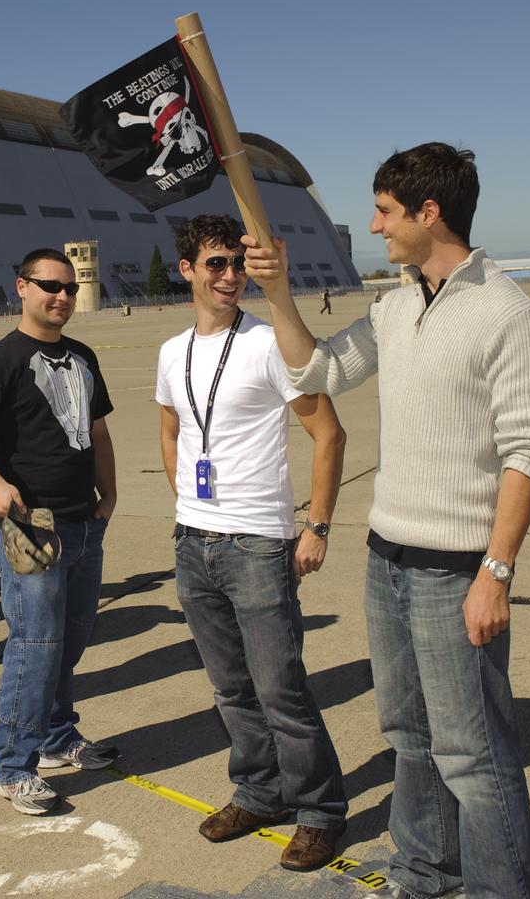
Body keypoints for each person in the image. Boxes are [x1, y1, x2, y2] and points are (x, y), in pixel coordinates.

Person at [246, 142, 530, 899]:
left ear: (430, 212)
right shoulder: (395, 304)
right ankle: (425, 871)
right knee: (408, 739)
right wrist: (279, 293)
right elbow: (317, 371)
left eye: (386, 210)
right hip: (386, 556)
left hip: (456, 569)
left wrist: (497, 571)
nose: (374, 224)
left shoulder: (508, 314)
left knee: (474, 755)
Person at [157, 214, 348, 870]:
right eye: (216, 263)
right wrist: (184, 502)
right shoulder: (171, 352)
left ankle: (321, 811)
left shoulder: (269, 344)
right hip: (194, 542)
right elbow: (171, 430)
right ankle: (262, 791)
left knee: (280, 688)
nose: (230, 276)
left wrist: (316, 524)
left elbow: (329, 432)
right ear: (187, 269)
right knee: (230, 689)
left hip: (260, 542)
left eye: (237, 264)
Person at [0, 247, 118, 816]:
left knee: (68, 642)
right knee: (35, 645)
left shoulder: (83, 355)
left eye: (69, 288)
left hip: (84, 519)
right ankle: (12, 766)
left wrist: (109, 493)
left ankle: (58, 736)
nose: (62, 296)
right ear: (21, 287)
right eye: (50, 286)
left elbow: (96, 431)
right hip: (32, 524)